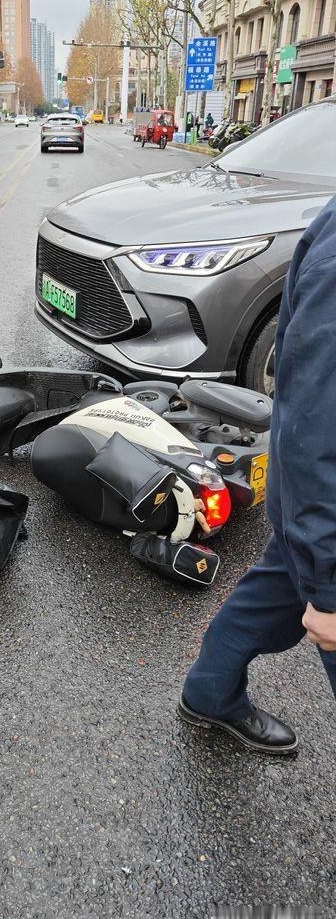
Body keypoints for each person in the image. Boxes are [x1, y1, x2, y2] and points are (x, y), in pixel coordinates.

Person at [179, 196, 336, 755]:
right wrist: (330, 587)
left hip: (313, 516)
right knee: (298, 573)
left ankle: (209, 691)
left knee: (278, 581)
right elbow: (317, 433)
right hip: (325, 513)